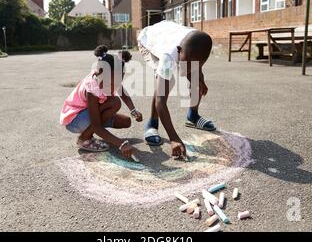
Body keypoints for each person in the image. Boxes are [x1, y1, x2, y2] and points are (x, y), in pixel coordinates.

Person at [138, 20, 215, 159]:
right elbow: (160, 101)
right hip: (149, 41)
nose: (189, 68)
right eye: (187, 64)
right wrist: (174, 138)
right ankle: (152, 124)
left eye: (196, 64)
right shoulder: (168, 55)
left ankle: (193, 116)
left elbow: (195, 64)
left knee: (197, 79)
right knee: (165, 85)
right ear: (179, 51)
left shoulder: (196, 45)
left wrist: (199, 78)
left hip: (170, 36)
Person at [60, 45, 143, 159]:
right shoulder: (92, 88)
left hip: (90, 114)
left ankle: (89, 133)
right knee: (114, 102)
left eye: (117, 83)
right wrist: (121, 144)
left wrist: (133, 110)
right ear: (99, 74)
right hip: (75, 119)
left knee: (126, 122)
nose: (113, 87)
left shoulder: (111, 76)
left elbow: (122, 92)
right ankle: (84, 139)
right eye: (110, 84)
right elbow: (96, 125)